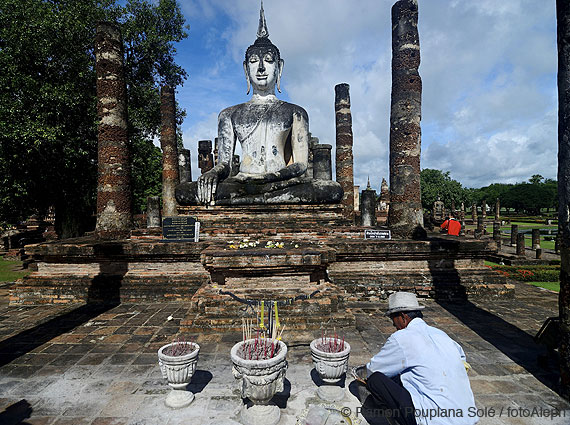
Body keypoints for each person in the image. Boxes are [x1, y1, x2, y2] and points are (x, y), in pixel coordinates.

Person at [175, 2, 342, 206]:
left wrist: (271, 178)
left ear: (279, 67)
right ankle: (262, 198)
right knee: (183, 192)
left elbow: (300, 164)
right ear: (246, 69)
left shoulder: (296, 112)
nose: (261, 68)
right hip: (242, 182)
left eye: (269, 60)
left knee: (331, 190)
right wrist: (212, 172)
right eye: (254, 61)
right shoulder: (229, 114)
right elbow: (225, 164)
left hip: (281, 182)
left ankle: (255, 199)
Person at [357, 292, 478, 425]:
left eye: (393, 319)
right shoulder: (441, 334)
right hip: (467, 417)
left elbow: (373, 369)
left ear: (403, 317)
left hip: (435, 420)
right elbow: (462, 360)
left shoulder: (402, 338)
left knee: (376, 380)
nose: (394, 325)